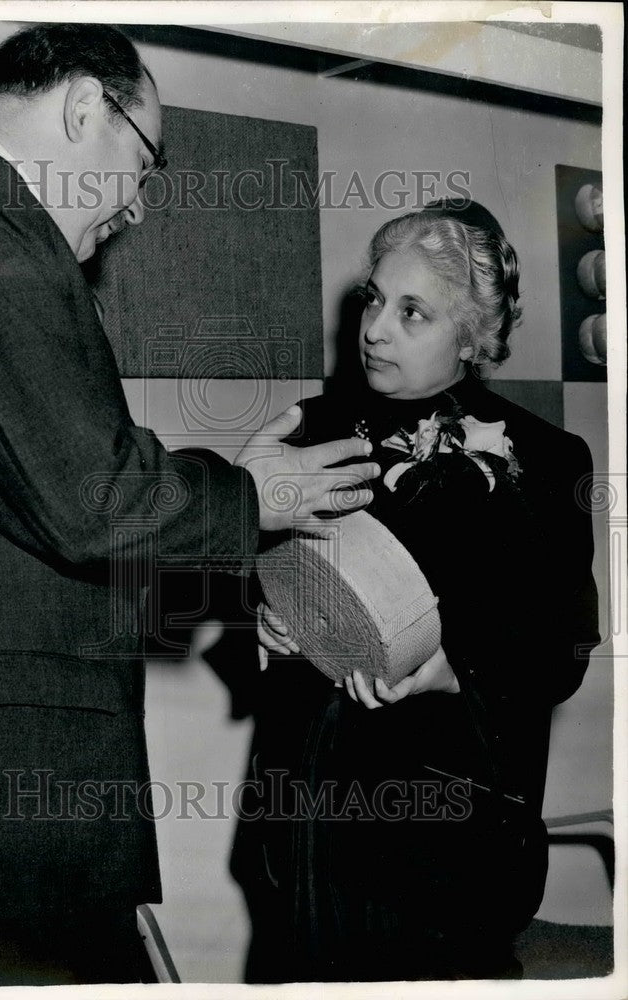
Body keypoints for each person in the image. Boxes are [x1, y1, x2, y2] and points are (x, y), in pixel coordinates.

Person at [0, 23, 379, 986]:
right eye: (145, 162)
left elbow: (45, 503)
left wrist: (242, 546)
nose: (134, 207)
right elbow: (89, 500)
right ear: (86, 104)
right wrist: (252, 495)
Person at [237, 200, 600, 982]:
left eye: (412, 313)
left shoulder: (549, 459)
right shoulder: (313, 431)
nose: (374, 330)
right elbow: (253, 568)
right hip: (308, 816)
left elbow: (563, 648)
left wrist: (455, 673)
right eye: (374, 299)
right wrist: (264, 618)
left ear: (471, 337)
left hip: (453, 826)